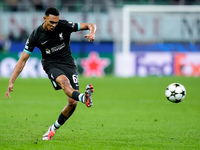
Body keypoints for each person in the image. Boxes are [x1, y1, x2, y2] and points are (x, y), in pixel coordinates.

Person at [5, 7, 96, 140]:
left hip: (68, 63)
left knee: (72, 103)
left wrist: (92, 33)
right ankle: (83, 97)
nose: (54, 25)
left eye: (56, 22)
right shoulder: (36, 35)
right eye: (51, 22)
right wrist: (11, 81)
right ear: (44, 19)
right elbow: (23, 60)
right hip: (51, 64)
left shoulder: (64, 25)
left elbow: (90, 25)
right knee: (64, 82)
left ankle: (53, 128)